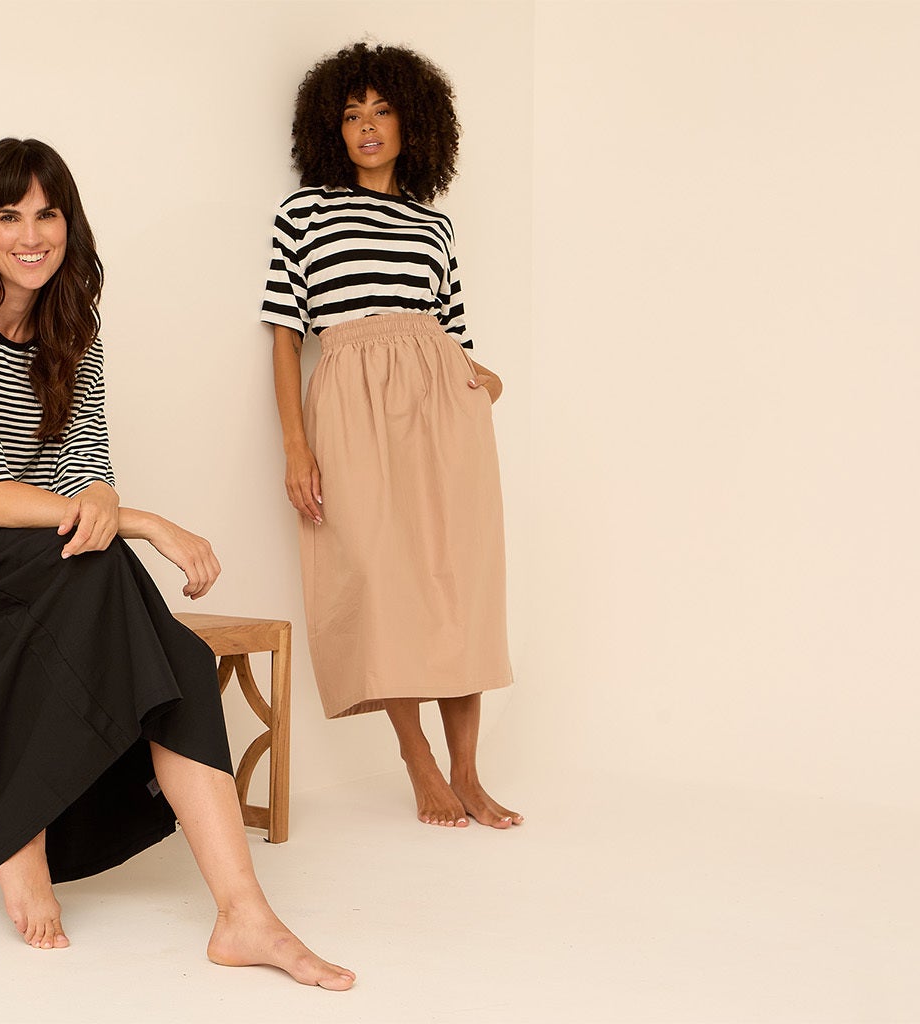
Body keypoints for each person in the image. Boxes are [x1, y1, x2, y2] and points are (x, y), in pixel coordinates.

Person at [0, 138, 353, 988]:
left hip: (15, 563)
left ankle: (244, 914)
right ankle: (22, 833)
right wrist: (143, 521)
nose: (31, 234)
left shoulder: (72, 327)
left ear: (70, 226)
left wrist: (108, 501)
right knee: (106, 567)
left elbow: (85, 468)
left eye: (48, 214)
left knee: (159, 635)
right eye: (10, 215)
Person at [263, 43, 524, 830]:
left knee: (458, 580)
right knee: (380, 578)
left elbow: (453, 332)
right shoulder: (303, 213)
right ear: (329, 130)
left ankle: (469, 773)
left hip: (443, 405)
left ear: (413, 122)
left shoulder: (434, 224)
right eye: (351, 114)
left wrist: (483, 384)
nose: (367, 126)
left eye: (380, 110)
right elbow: (283, 333)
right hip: (348, 399)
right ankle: (417, 759)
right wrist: (296, 445)